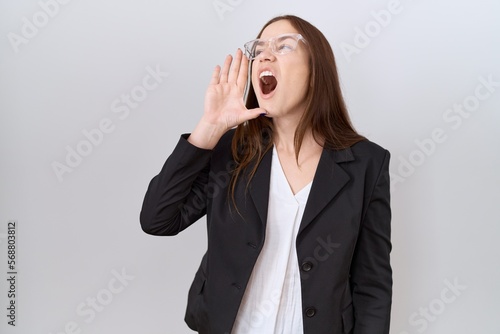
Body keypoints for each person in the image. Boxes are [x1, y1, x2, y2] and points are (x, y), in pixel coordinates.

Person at [140, 14, 392, 334]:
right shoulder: (231, 152)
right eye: (259, 49)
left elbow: (373, 285)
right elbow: (157, 219)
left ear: (316, 73)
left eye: (283, 46)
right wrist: (208, 129)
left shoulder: (366, 164)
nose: (265, 55)